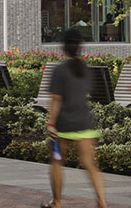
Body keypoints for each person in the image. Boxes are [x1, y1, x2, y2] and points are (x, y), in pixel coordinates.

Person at [45, 29, 108, 208]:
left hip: (63, 126)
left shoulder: (60, 70)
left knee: (57, 161)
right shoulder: (84, 69)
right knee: (89, 163)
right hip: (84, 123)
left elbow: (56, 100)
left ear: (64, 48)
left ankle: (56, 202)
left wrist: (51, 124)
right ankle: (101, 201)